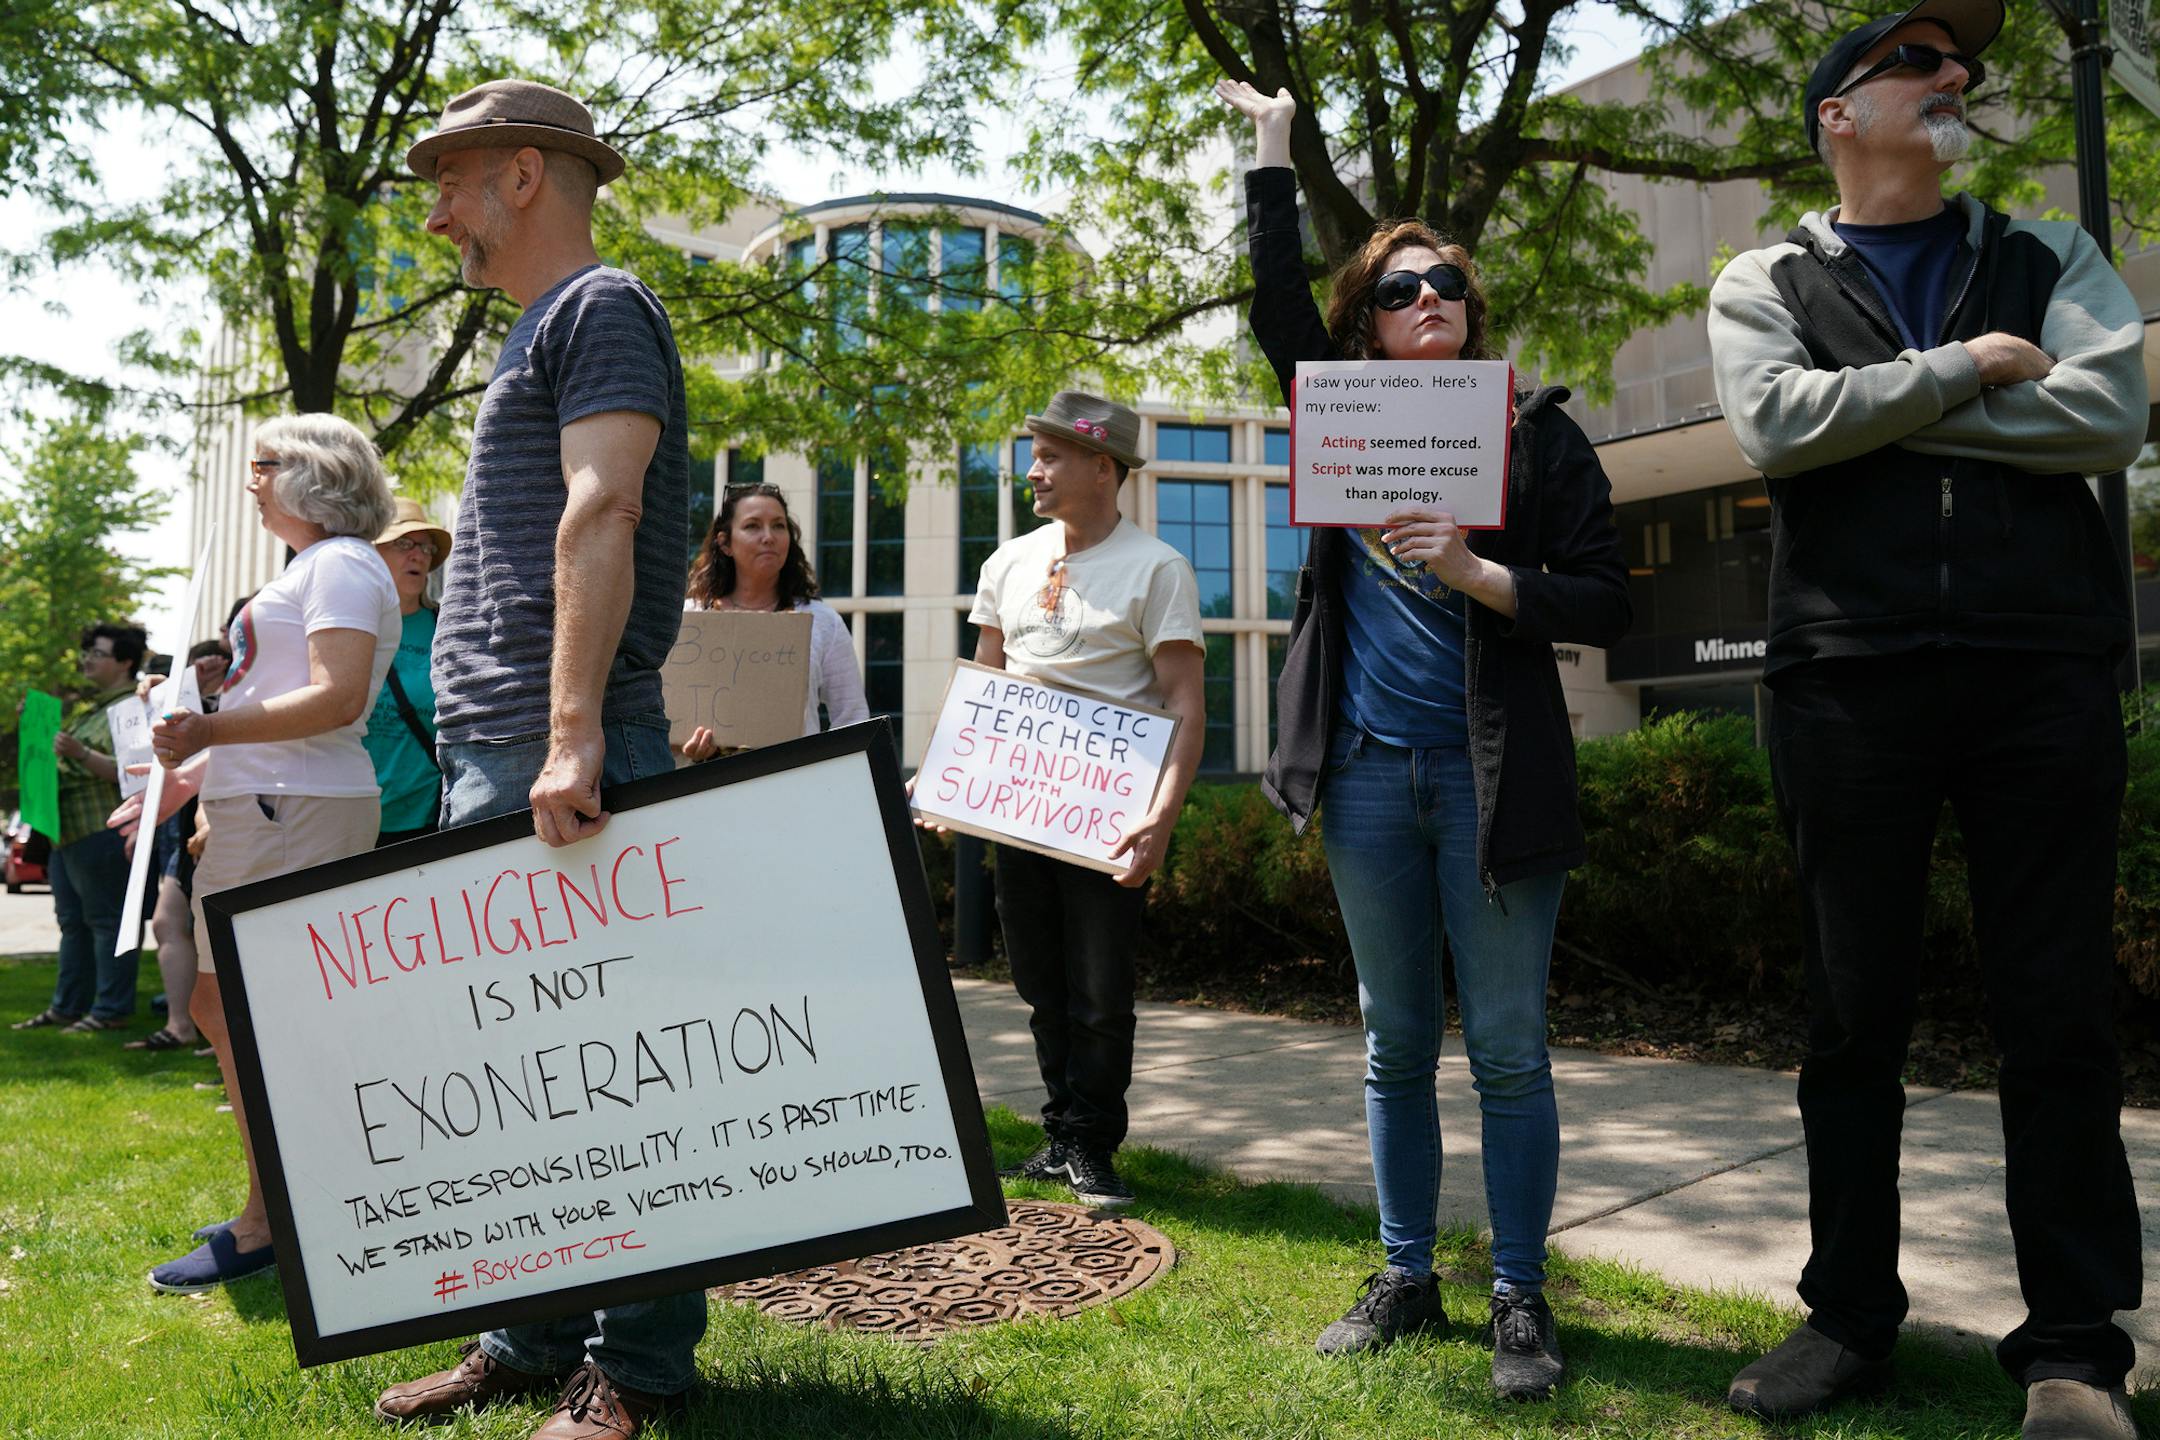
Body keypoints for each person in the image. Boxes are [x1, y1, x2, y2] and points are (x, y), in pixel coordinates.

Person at [1705, 4, 2148, 1435]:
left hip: (2045, 670)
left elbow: (2108, 421)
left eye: (1964, 65)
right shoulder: (1763, 276)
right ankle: (1848, 1319)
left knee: (2058, 1015)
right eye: (1919, 63)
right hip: (1848, 678)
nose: (1957, 78)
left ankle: (2075, 1351)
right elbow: (1772, 428)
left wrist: (1867, 415)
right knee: (1852, 1020)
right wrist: (1968, 367)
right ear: (1837, 113)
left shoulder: (2051, 254)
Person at [1217, 78, 1631, 1399]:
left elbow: (1607, 599)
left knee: (1507, 1048)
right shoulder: (1336, 414)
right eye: (1399, 289)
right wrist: (1274, 151)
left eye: (1446, 280)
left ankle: (1520, 1296)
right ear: (1367, 325)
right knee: (1394, 1043)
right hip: (1364, 781)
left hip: (1492, 781)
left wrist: (1477, 571)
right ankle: (1406, 1275)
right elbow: (1275, 308)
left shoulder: (1537, 436)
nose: (1428, 296)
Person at [370, 80, 695, 1440]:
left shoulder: (599, 307)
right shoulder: (537, 331)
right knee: (531, 1083)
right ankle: (529, 1338)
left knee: (619, 1075)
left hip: (555, 749)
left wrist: (571, 737)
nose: (434, 212)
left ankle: (637, 1370)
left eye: (449, 180)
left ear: (521, 176)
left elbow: (603, 507)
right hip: (498, 748)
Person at [132, 413, 399, 1295]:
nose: (251, 479)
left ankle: (274, 1219)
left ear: (314, 473)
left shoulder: (341, 564)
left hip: (295, 808)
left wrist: (208, 732)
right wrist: (199, 774)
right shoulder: (319, 566)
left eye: (264, 463)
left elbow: (338, 697)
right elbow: (292, 700)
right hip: (275, 807)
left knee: (255, 1015)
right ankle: (278, 1205)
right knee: (225, 1006)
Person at [965, 391, 1207, 1211]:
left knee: (1101, 993)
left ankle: (1093, 1145)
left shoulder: (1158, 569)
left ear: (1102, 467)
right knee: (1041, 984)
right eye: (1034, 456)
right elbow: (986, 686)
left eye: (1050, 457)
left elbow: (1185, 705)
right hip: (1017, 812)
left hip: (1109, 817)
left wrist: (1160, 819)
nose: (1033, 471)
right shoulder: (1007, 563)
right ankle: (1062, 1132)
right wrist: (951, 778)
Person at [12, 622, 150, 1034]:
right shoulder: (88, 710)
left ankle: (110, 1011)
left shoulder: (133, 707)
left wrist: (80, 752)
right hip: (66, 833)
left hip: (103, 831)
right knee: (72, 923)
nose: (87, 660)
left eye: (98, 654)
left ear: (125, 662)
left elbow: (134, 774)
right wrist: (36, 731)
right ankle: (67, 1008)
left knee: (108, 923)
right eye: (86, 653)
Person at [679, 481, 868, 759]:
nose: (768, 537)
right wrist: (687, 746)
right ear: (725, 543)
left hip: (798, 783)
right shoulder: (688, 619)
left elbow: (853, 719)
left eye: (779, 526)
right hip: (706, 782)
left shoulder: (823, 622)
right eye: (752, 526)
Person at [125, 638, 232, 1053]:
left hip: (221, 821)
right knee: (168, 923)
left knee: (215, 933)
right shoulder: (192, 698)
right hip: (184, 826)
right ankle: (185, 1025)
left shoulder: (237, 701)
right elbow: (159, 758)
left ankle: (225, 1038)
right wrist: (170, 693)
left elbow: (224, 741)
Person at [366, 498, 450, 845]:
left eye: (425, 547)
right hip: (349, 814)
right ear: (373, 553)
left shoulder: (445, 627)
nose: (418, 555)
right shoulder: (348, 625)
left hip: (425, 821)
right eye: (404, 544)